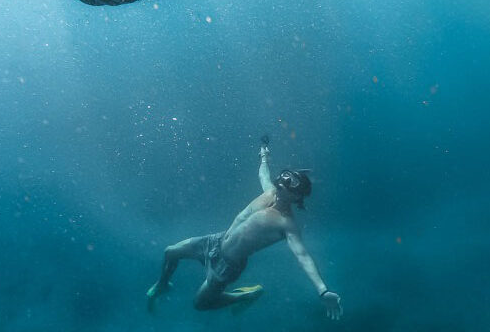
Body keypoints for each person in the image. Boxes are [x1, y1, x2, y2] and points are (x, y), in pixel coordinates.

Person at [146, 136, 343, 320]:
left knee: (200, 304)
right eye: (285, 177)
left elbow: (303, 256)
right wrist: (264, 156)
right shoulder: (270, 192)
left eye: (291, 183)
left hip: (227, 266)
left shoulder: (286, 223)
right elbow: (263, 174)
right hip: (215, 241)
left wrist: (322, 290)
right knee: (170, 252)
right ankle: (163, 284)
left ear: (297, 196)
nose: (283, 181)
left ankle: (247, 295)